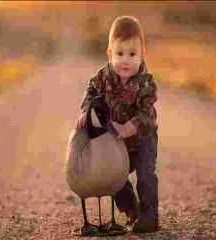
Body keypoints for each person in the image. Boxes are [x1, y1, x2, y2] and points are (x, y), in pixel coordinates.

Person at [76, 16, 159, 233]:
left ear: (142, 55)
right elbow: (91, 93)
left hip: (142, 139)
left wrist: (128, 128)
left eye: (132, 54)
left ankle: (150, 216)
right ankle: (131, 209)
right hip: (117, 141)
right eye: (119, 53)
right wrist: (86, 111)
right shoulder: (104, 77)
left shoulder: (146, 83)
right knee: (114, 175)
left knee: (146, 174)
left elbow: (146, 115)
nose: (125, 60)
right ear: (109, 54)